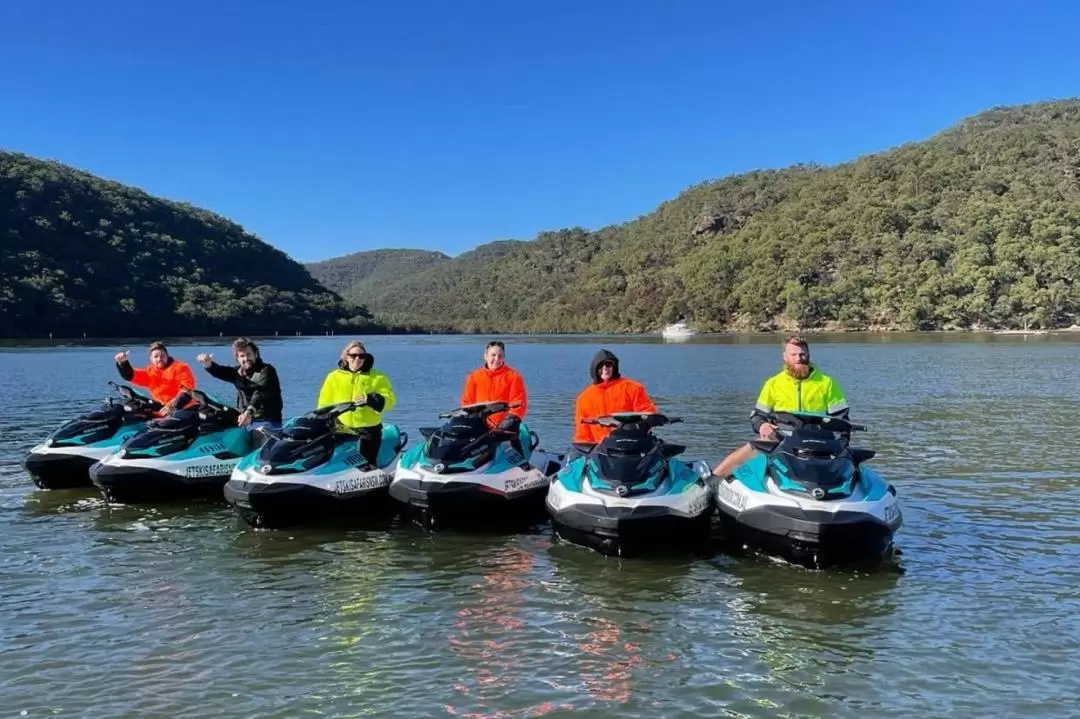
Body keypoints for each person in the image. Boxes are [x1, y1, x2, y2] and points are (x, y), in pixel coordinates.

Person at [711, 335, 849, 478]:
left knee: (848, 462)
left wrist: (841, 444)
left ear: (808, 355)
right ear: (785, 357)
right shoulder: (773, 383)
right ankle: (712, 481)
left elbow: (842, 420)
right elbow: (757, 416)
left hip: (818, 439)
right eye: (793, 354)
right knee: (751, 448)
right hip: (780, 438)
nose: (799, 358)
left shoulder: (827, 383)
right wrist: (763, 425)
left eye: (802, 354)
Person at [316, 340, 397, 465]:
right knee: (336, 463)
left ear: (365, 358)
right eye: (353, 355)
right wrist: (323, 421)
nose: (357, 359)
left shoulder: (378, 377)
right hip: (342, 428)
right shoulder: (333, 377)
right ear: (346, 357)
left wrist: (370, 399)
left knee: (367, 465)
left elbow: (390, 401)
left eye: (361, 356)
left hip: (369, 429)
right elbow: (323, 403)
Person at [572, 349, 657, 451]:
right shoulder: (584, 398)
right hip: (600, 451)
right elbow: (582, 433)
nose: (605, 369)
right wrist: (585, 452)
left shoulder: (633, 388)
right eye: (600, 366)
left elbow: (648, 414)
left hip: (633, 447)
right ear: (594, 368)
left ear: (614, 367)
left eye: (608, 364)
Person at [195, 337, 284, 433]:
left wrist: (249, 412)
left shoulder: (267, 370)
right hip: (244, 419)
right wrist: (208, 364)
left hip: (267, 420)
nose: (246, 358)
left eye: (248, 354)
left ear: (256, 354)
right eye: (242, 356)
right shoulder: (237, 373)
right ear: (237, 358)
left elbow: (260, 393)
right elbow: (220, 371)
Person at [460, 340, 528, 433]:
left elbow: (519, 405)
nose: (496, 359)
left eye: (500, 356)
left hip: (504, 428)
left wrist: (505, 424)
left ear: (504, 357)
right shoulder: (474, 377)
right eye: (493, 355)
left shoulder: (514, 376)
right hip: (479, 426)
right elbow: (467, 404)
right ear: (485, 356)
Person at [114, 341, 196, 414]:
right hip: (161, 407)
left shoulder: (180, 367)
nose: (159, 359)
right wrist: (123, 363)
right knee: (131, 407)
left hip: (183, 408)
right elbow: (130, 376)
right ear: (151, 359)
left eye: (162, 356)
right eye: (156, 357)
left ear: (167, 356)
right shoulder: (150, 371)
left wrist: (173, 406)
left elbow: (187, 391)